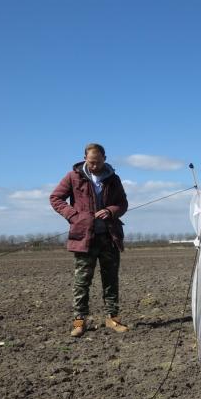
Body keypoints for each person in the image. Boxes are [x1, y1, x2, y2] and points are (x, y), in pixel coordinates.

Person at [50, 143, 129, 337]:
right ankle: (79, 322)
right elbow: (56, 198)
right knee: (81, 282)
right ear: (85, 158)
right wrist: (74, 215)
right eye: (91, 162)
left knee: (110, 280)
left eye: (98, 162)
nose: (95, 166)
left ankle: (113, 319)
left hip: (109, 237)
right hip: (84, 238)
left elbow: (123, 203)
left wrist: (111, 211)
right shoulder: (73, 177)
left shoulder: (113, 179)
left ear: (105, 158)